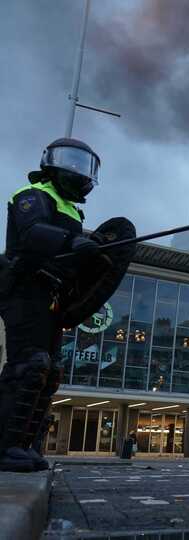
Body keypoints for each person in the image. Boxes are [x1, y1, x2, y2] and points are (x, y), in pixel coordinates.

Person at [0, 138, 102, 472]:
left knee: (48, 372)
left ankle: (24, 444)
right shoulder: (32, 195)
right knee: (28, 366)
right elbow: (32, 234)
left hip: (54, 298)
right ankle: (5, 445)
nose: (78, 170)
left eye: (84, 164)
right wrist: (73, 241)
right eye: (71, 161)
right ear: (51, 163)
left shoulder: (73, 209)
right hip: (26, 290)